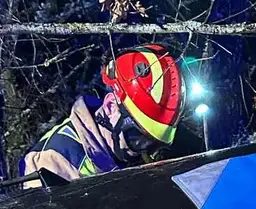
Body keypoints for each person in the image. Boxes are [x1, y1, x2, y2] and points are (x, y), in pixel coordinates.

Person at [20, 44, 184, 188]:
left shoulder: (116, 154)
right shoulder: (54, 160)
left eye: (153, 145)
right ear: (111, 106)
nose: (143, 151)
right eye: (137, 138)